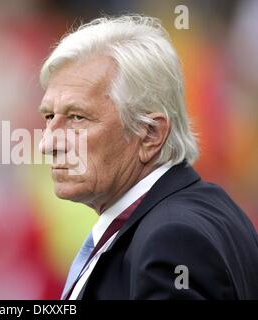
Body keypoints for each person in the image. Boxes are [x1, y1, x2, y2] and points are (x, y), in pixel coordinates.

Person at [38, 15, 258, 299]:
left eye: (77, 118)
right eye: (49, 117)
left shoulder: (172, 240)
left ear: (150, 134)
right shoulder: (204, 211)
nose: (47, 143)